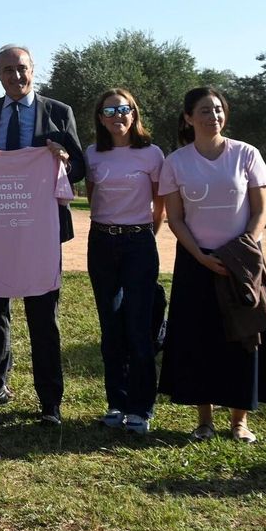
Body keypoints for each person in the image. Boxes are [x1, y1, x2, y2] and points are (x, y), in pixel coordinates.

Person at [0, 45, 86, 425]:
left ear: (33, 69)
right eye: (8, 70)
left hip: (40, 232)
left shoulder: (59, 112)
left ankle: (50, 400)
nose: (16, 76)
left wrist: (64, 159)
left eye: (22, 68)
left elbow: (79, 167)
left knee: (43, 315)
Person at [158, 87, 266, 443]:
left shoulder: (247, 154)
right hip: (196, 261)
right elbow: (175, 218)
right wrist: (201, 256)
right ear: (188, 118)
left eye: (218, 109)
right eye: (204, 110)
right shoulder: (176, 162)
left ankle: (239, 422)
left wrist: (240, 251)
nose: (213, 116)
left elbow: (261, 212)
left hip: (242, 262)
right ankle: (204, 421)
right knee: (199, 340)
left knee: (245, 338)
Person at [83, 88, 165, 436]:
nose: (117, 116)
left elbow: (160, 205)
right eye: (109, 111)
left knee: (138, 327)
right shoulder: (92, 154)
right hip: (101, 242)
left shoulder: (152, 154)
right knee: (111, 328)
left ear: (134, 113)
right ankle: (116, 403)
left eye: (123, 109)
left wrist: (143, 235)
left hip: (139, 244)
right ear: (100, 119)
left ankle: (141, 408)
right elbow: (92, 197)